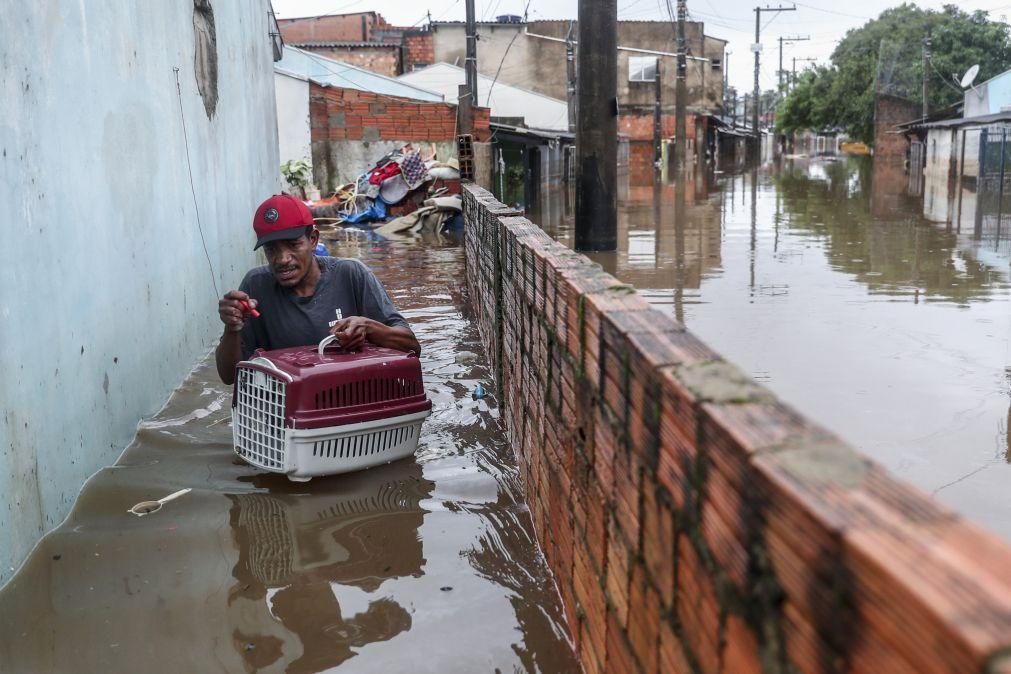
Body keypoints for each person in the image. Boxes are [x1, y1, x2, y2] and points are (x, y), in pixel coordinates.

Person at [215, 194, 420, 384]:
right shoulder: (255, 285)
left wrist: (370, 329)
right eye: (271, 249)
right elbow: (229, 377)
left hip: (354, 398)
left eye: (293, 245)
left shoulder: (351, 275)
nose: (282, 259)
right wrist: (232, 328)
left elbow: (412, 347)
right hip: (292, 413)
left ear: (313, 240)